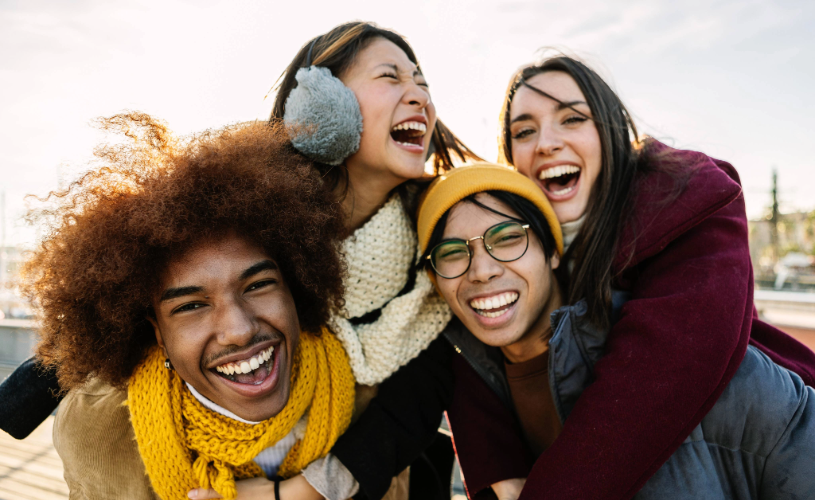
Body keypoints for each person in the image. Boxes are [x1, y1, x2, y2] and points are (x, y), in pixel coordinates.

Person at [1, 21, 478, 500]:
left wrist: (303, 490)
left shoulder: (440, 235)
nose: (419, 95)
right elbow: (143, 275)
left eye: (423, 81)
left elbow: (427, 386)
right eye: (391, 76)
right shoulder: (255, 200)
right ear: (321, 101)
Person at [446, 56, 815, 499]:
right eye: (524, 131)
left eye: (572, 118)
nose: (546, 142)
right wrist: (497, 464)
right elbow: (467, 341)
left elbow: (660, 372)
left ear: (609, 130)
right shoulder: (514, 249)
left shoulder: (685, 198)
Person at [18, 116, 357, 500]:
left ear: (294, 287)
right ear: (158, 333)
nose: (239, 330)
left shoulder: (364, 393)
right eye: (192, 305)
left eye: (259, 285)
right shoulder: (98, 428)